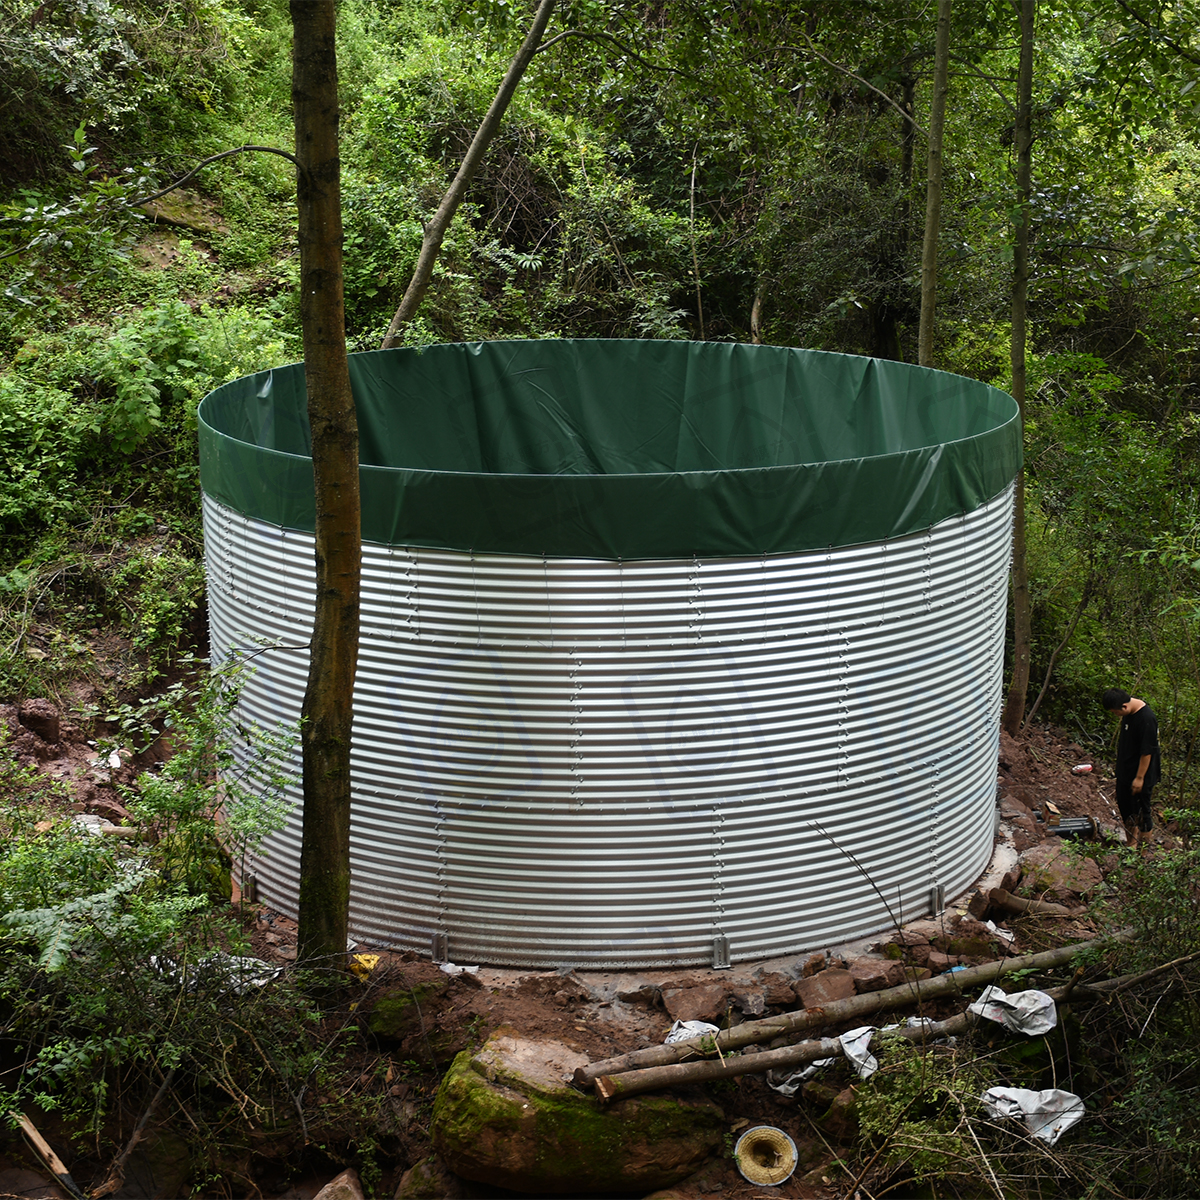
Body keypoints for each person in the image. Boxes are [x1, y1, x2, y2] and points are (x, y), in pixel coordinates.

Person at [1101, 688, 1161, 848]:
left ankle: (1142, 854)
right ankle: (1130, 847)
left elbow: (1147, 752)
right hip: (1125, 773)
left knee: (1142, 814)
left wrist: (1139, 778)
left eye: (1116, 712)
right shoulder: (1128, 713)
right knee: (1127, 811)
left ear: (1124, 707)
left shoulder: (1146, 719)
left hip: (1141, 775)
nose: (1116, 715)